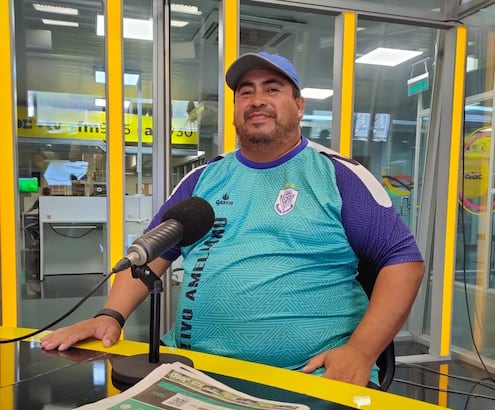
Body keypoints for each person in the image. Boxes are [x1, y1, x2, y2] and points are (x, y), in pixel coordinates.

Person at [41, 51, 425, 387]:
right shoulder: (202, 179)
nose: (258, 100)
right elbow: (151, 253)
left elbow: (403, 262)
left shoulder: (338, 175)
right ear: (236, 109)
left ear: (300, 105)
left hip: (309, 377)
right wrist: (111, 315)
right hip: (193, 371)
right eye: (246, 92)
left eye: (272, 89)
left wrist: (360, 351)